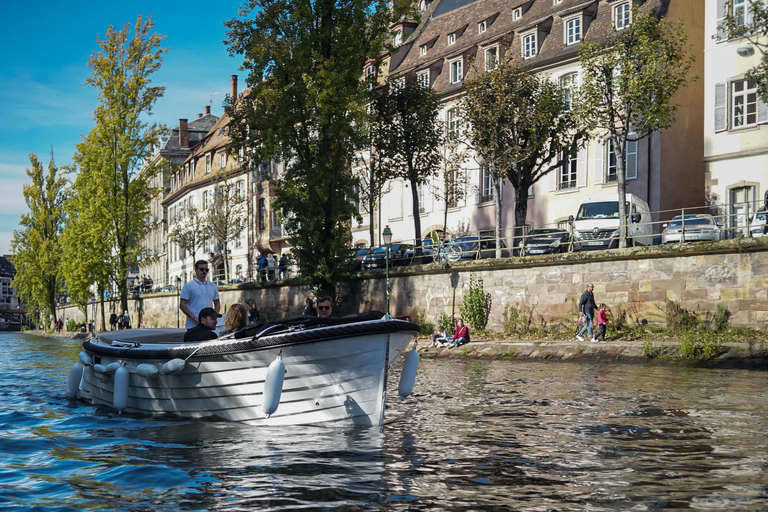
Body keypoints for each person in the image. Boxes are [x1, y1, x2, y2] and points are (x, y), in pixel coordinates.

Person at [179, 260, 221, 331]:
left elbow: (217, 303)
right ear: (196, 270)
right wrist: (195, 318)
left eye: (206, 269)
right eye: (201, 269)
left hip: (208, 325)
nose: (204, 271)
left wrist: (213, 317)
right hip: (192, 326)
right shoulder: (189, 286)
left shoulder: (212, 286)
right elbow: (182, 305)